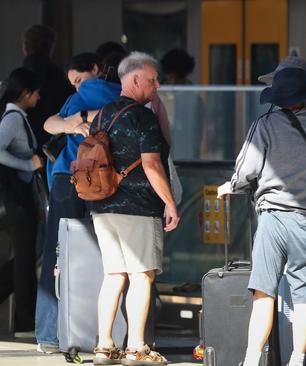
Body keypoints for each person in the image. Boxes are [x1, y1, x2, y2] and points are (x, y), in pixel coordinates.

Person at [217, 67, 306, 366]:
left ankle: (252, 360)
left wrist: (230, 186)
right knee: (304, 298)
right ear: (305, 96)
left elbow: (246, 171)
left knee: (264, 293)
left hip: (273, 218)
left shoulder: (263, 126)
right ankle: (298, 359)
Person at [90, 51, 179, 365]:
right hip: (138, 207)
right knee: (142, 275)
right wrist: (170, 202)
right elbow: (153, 165)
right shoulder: (142, 117)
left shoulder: (101, 115)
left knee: (114, 275)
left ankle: (103, 346)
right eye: (153, 80)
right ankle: (137, 348)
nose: (156, 86)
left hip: (102, 206)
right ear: (136, 78)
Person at [35, 52, 121, 354]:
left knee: (56, 252)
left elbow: (51, 124)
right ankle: (100, 331)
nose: (77, 85)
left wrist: (77, 120)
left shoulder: (83, 95)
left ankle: (48, 333)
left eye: (79, 78)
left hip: (68, 177)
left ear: (96, 70)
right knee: (106, 256)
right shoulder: (127, 99)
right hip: (106, 181)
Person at [0, 67, 43, 335]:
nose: (39, 97)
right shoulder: (14, 118)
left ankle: (26, 321)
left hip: (21, 199)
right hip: (16, 201)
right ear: (26, 93)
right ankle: (26, 323)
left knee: (27, 259)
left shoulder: (17, 117)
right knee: (26, 261)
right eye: (36, 92)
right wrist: (28, 164)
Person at [21, 24, 74, 148]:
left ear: (25, 47)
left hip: (23, 144)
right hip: (54, 142)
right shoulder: (62, 77)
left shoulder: (19, 77)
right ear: (50, 48)